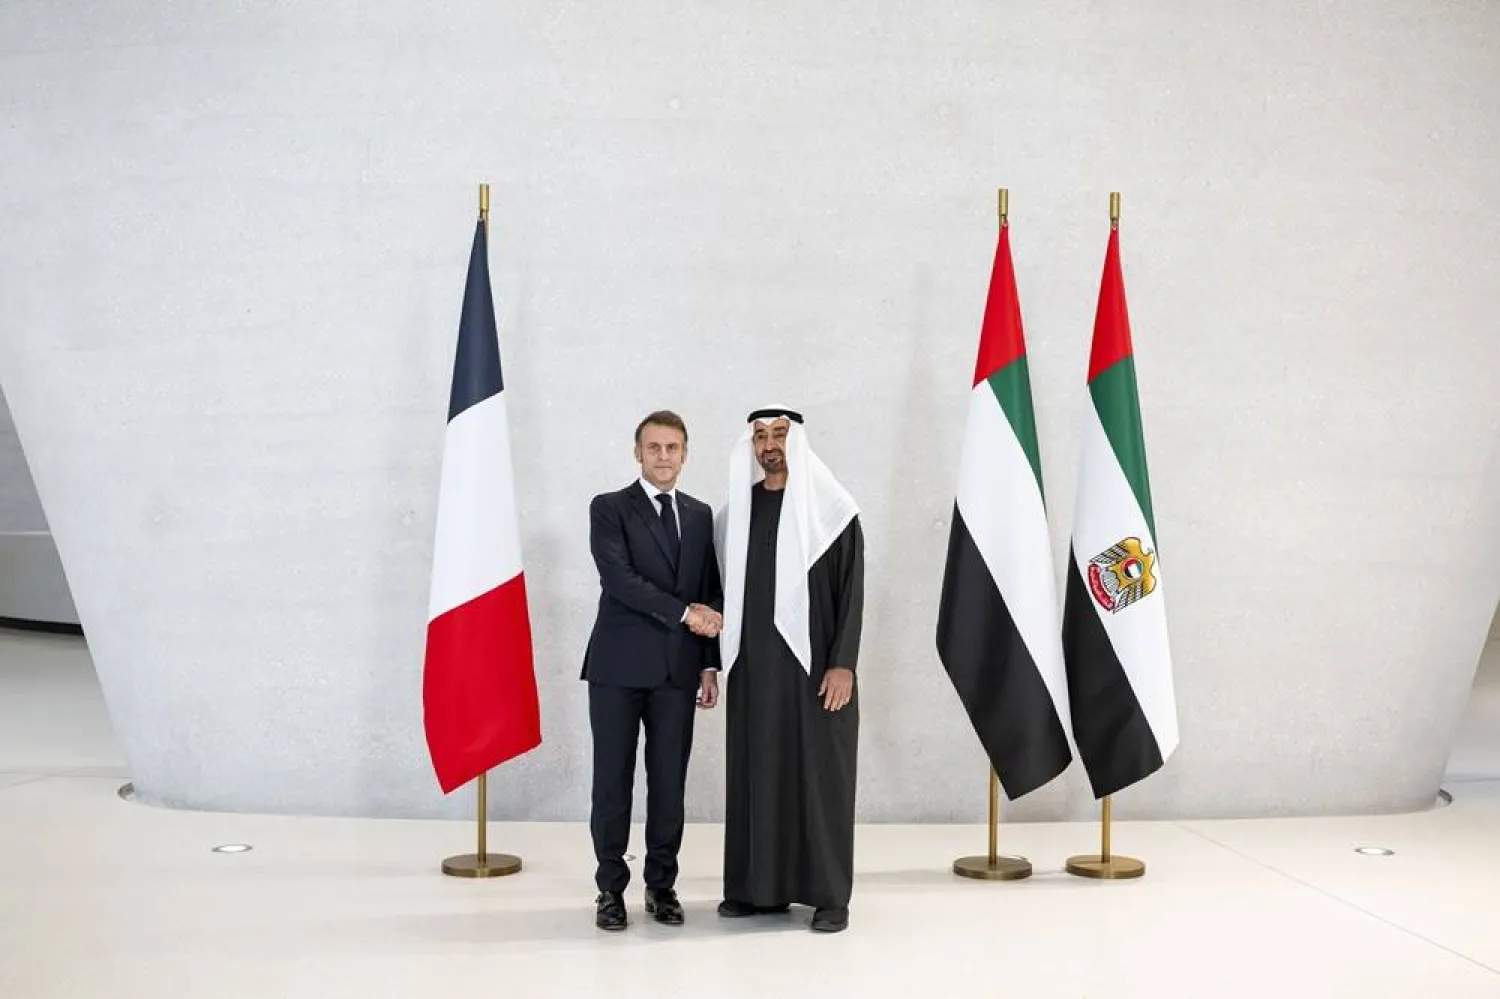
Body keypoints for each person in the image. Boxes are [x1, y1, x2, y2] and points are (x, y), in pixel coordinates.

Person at [714, 406, 865, 933]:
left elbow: (851, 591)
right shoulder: (737, 514)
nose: (768, 443)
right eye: (760, 436)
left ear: (796, 442)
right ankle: (759, 889)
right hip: (754, 672)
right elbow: (720, 594)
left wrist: (843, 662)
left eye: (778, 433)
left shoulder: (834, 511)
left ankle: (828, 895)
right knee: (759, 775)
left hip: (816, 673)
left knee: (820, 780)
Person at [581, 410, 723, 931]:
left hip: (677, 672)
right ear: (637, 453)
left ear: (685, 454)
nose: (664, 456)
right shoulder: (609, 508)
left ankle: (662, 886)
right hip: (617, 669)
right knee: (612, 784)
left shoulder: (702, 514)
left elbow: (710, 586)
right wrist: (687, 614)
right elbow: (620, 579)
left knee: (669, 785)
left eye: (673, 447)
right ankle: (610, 890)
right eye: (654, 447)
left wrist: (709, 667)